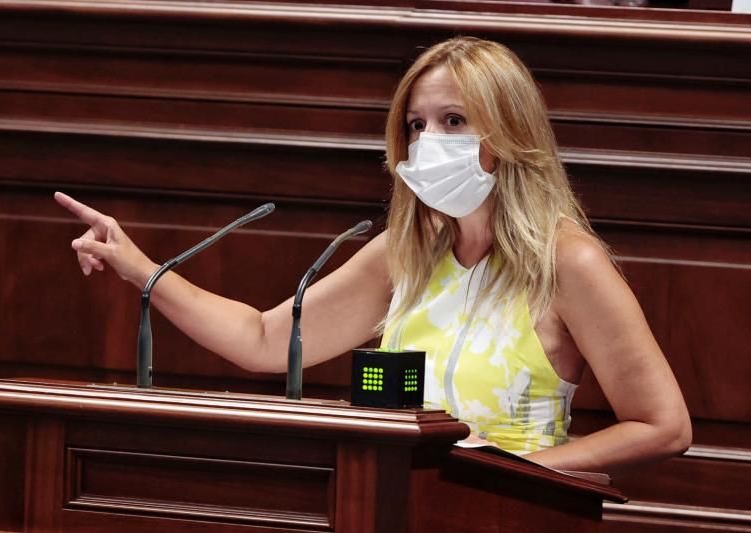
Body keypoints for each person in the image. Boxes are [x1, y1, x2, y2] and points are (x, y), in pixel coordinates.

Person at [55, 36, 691, 473]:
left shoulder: (567, 263)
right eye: (416, 126)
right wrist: (138, 265)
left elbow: (663, 426)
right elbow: (262, 339)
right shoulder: (406, 254)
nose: (428, 141)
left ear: (509, 132)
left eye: (453, 121)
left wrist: (516, 469)